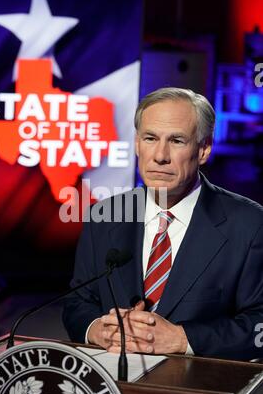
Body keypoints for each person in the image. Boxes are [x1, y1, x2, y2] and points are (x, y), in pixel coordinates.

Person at [62, 87, 263, 361]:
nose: (160, 155)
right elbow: (77, 302)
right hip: (113, 385)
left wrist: (183, 339)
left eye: (177, 141)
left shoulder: (250, 224)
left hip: (200, 389)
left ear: (203, 149)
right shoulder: (105, 215)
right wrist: (96, 329)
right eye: (150, 138)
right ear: (136, 143)